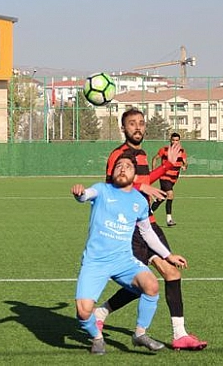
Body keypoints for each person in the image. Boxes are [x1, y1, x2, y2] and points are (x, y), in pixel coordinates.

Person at [93, 108, 207, 351]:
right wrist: (141, 187)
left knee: (173, 274)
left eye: (141, 123)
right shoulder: (119, 155)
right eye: (132, 123)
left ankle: (180, 335)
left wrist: (168, 166)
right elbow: (111, 184)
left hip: (148, 223)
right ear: (123, 128)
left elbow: (146, 181)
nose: (138, 127)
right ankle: (101, 313)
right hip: (129, 229)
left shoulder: (143, 154)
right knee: (141, 284)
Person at [72, 153, 189, 355]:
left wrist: (168, 255)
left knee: (151, 285)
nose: (123, 168)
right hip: (95, 262)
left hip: (123, 260)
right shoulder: (101, 189)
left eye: (128, 166)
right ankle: (97, 338)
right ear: (112, 172)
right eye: (119, 165)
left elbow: (147, 232)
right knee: (83, 312)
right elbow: (85, 195)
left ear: (135, 176)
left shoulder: (139, 201)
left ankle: (140, 334)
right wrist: (80, 194)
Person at [151, 132, 188, 227]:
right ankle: (169, 219)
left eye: (177, 140)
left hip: (173, 179)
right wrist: (154, 171)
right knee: (170, 195)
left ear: (179, 141)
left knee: (161, 197)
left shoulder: (182, 151)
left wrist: (184, 166)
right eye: (173, 140)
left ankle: (147, 213)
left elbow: (185, 163)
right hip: (164, 177)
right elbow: (155, 158)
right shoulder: (164, 150)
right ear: (170, 140)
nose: (175, 142)